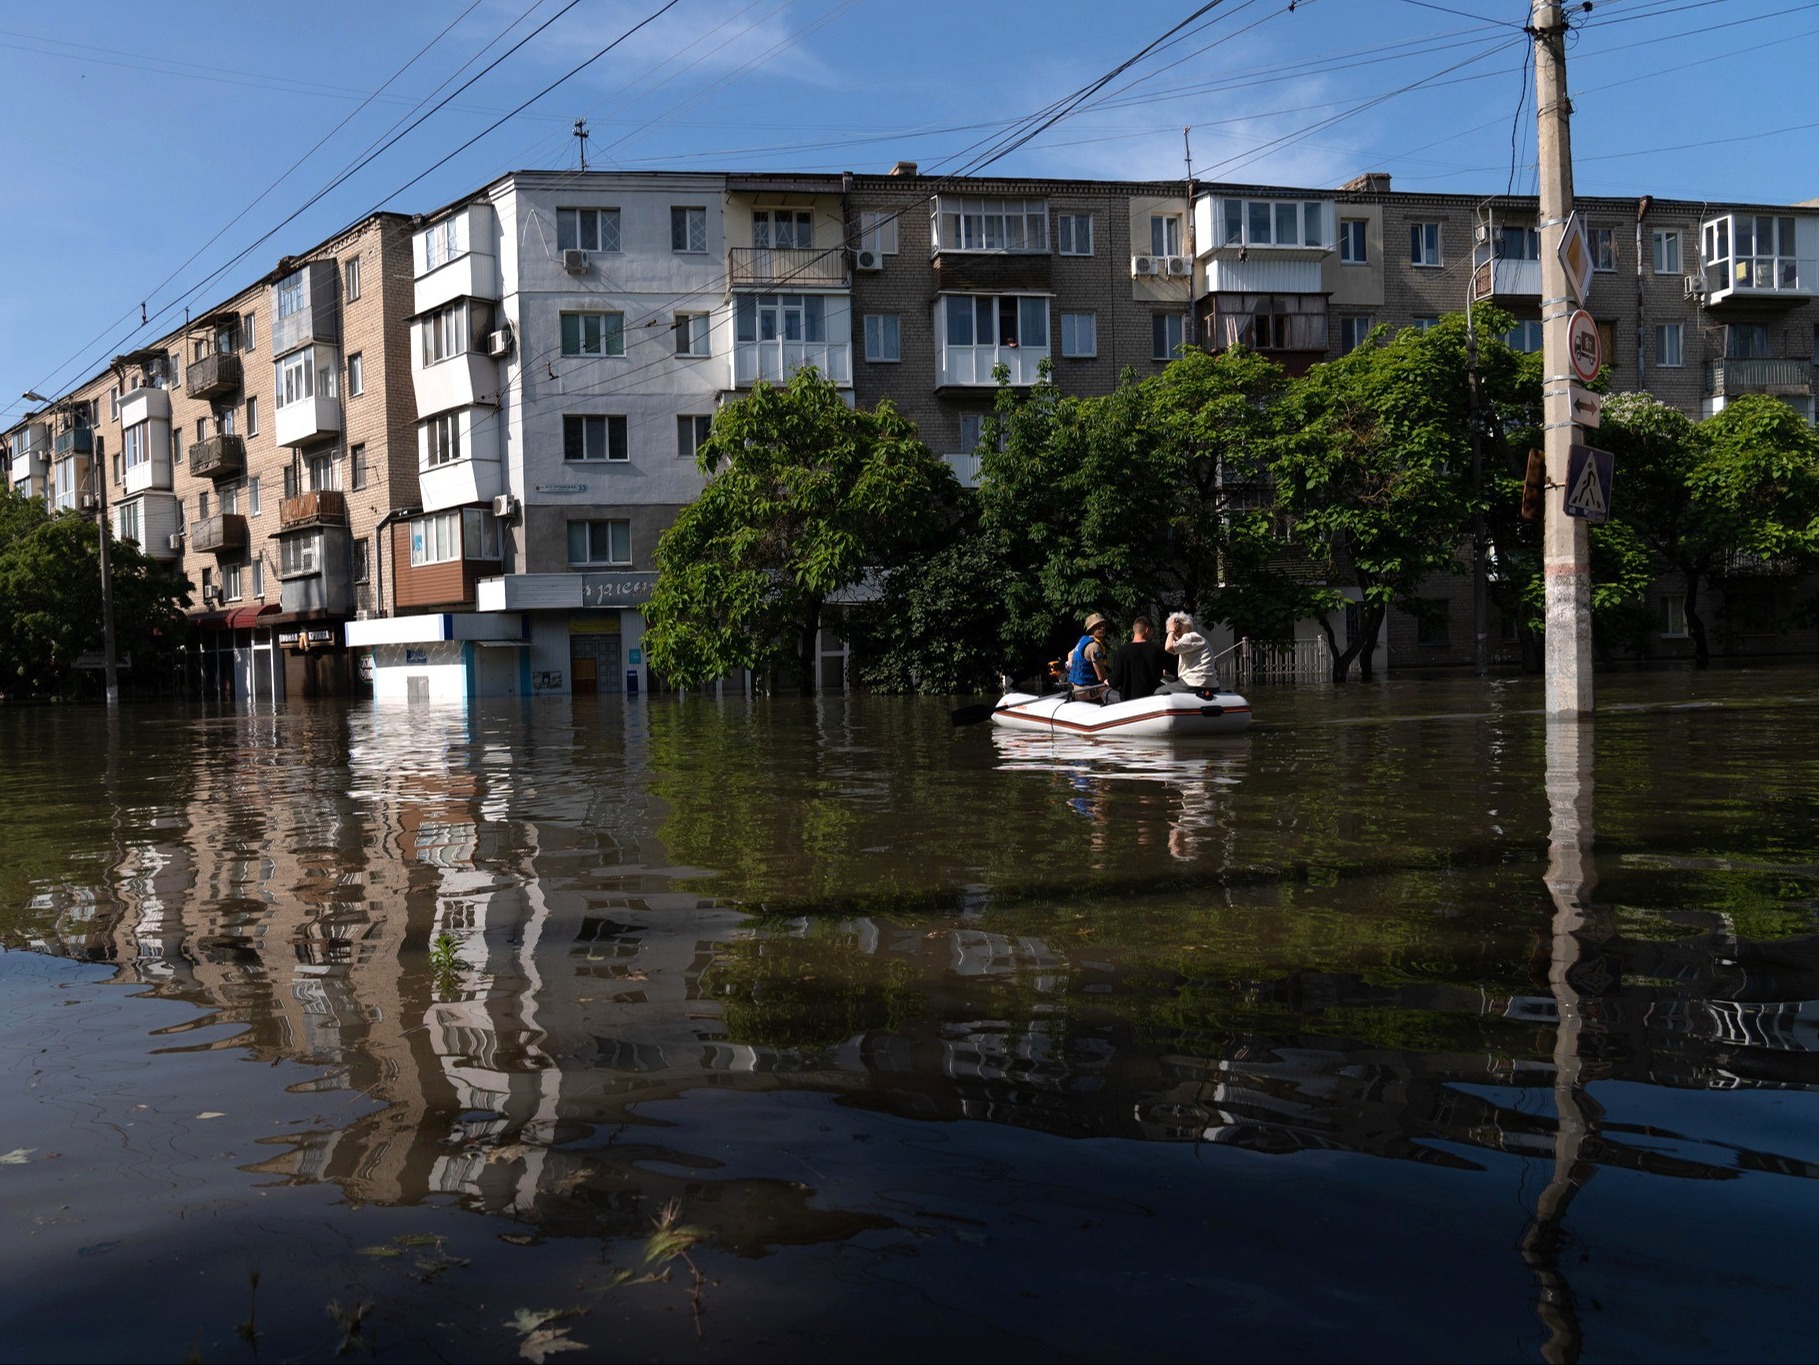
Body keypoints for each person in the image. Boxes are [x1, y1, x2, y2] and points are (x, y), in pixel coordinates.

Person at [1109, 615, 1172, 700]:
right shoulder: (1157, 649)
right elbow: (1172, 669)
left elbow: (1114, 683)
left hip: (1128, 701)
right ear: (1147, 630)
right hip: (1153, 698)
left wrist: (1108, 680)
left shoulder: (1121, 651)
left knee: (1105, 694)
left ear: (1134, 630)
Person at [1161, 611, 1218, 691]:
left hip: (1194, 683)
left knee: (1159, 691)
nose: (1175, 636)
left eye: (1176, 630)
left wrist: (1171, 630)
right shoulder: (1197, 639)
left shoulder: (1189, 637)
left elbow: (1168, 647)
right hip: (1211, 685)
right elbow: (1214, 665)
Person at [1066, 613, 1113, 702]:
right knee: (1117, 693)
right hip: (1089, 692)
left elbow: (1070, 654)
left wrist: (1074, 674)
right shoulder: (1094, 647)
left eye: (1103, 625)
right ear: (1091, 629)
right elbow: (1101, 677)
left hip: (1077, 689)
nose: (1102, 628)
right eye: (1098, 626)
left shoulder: (1082, 642)